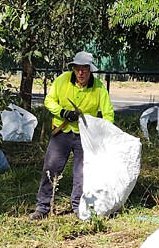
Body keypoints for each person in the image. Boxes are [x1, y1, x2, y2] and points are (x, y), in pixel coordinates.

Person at [29, 51, 115, 221]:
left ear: (90, 70)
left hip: (86, 137)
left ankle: (78, 207)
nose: (81, 73)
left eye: (84, 69)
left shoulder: (99, 88)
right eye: (78, 69)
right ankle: (43, 207)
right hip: (61, 132)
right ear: (73, 69)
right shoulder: (62, 80)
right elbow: (49, 101)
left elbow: (108, 113)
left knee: (82, 173)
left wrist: (105, 134)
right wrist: (63, 112)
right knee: (51, 168)